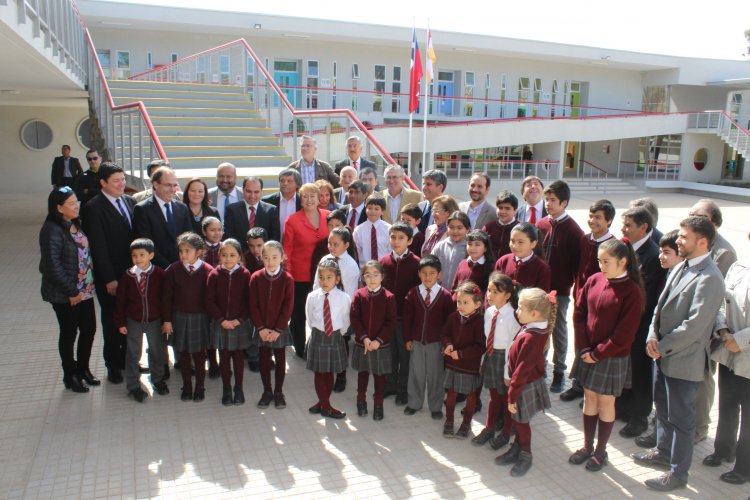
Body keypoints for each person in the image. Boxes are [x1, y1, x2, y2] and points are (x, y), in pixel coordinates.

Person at [633, 216, 725, 492]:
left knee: (682, 420)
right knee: (662, 409)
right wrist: (652, 334)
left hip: (684, 362)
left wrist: (661, 345)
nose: (679, 241)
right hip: (662, 355)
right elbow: (659, 309)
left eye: (684, 237)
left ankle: (678, 474)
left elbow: (694, 326)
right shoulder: (681, 266)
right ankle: (662, 452)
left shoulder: (710, 278)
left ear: (703, 241)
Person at [569, 238, 645, 471]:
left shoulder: (632, 292)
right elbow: (579, 313)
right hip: (588, 352)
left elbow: (624, 335)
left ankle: (601, 451)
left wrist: (598, 354)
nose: (602, 266)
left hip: (610, 356)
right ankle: (587, 446)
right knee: (589, 398)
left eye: (607, 261)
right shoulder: (594, 280)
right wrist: (583, 347)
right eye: (599, 261)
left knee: (605, 402)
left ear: (623, 261)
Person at [39, 187, 98, 393]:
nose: (76, 206)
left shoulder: (75, 223)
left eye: (76, 202)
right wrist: (72, 292)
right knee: (69, 333)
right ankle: (70, 375)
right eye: (71, 204)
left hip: (85, 289)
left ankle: (83, 370)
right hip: (67, 294)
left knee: (89, 330)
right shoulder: (51, 230)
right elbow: (51, 266)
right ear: (59, 208)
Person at [81, 162, 134, 385]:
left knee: (131, 319)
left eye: (123, 179)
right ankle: (113, 364)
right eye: (116, 181)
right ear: (103, 183)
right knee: (113, 321)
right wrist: (110, 278)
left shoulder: (130, 202)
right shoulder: (93, 207)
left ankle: (127, 360)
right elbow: (98, 246)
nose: (121, 184)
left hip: (132, 274)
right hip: (110, 276)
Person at [616, 206, 667, 438]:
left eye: (628, 225)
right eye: (623, 224)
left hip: (641, 324)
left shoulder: (653, 256)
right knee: (626, 369)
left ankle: (639, 417)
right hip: (624, 321)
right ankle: (624, 407)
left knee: (640, 372)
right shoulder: (626, 248)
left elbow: (650, 297)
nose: (623, 229)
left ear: (644, 228)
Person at [495, 288, 554, 477]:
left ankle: (526, 454)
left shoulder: (532, 336)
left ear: (535, 314)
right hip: (520, 384)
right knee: (517, 420)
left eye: (521, 308)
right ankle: (516, 448)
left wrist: (512, 396)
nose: (517, 311)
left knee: (521, 422)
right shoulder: (532, 326)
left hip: (523, 386)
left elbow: (521, 370)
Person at [561, 199, 615, 403]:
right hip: (580, 299)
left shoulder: (613, 245)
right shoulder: (584, 240)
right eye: (591, 216)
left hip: (600, 303)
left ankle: (590, 389)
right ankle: (578, 384)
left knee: (595, 345)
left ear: (609, 221)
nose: (592, 221)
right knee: (580, 341)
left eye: (598, 218)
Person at [703, 249, 750, 486]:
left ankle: (744, 467)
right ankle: (723, 450)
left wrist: (740, 340)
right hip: (729, 349)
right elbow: (721, 301)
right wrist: (723, 331)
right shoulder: (739, 266)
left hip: (746, 353)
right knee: (728, 404)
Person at [635, 229, 682, 450]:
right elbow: (657, 310)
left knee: (675, 404)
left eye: (667, 252)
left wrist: (662, 344)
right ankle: (659, 438)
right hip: (658, 344)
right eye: (661, 251)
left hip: (674, 350)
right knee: (661, 398)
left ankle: (667, 445)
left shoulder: (689, 278)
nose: (661, 256)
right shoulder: (670, 274)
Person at [535, 180, 583, 393]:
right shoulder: (541, 224)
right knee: (538, 328)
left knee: (558, 331)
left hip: (560, 292)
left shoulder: (573, 230)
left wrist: (566, 285)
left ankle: (559, 372)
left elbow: (576, 265)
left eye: (553, 200)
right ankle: (539, 367)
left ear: (564, 203)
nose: (548, 204)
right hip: (539, 290)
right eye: (547, 199)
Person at [113, 238, 168, 402]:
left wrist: (166, 320)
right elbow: (121, 301)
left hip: (155, 320)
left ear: (151, 255)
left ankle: (158, 379)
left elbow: (165, 299)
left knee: (157, 350)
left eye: (142, 255)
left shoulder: (159, 274)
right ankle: (133, 385)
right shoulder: (128, 276)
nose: (138, 259)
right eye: (134, 255)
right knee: (133, 352)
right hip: (134, 321)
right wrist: (120, 322)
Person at [472, 273, 521, 448]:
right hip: (492, 357)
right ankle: (489, 428)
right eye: (489, 290)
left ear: (508, 295)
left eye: (496, 292)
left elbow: (511, 347)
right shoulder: (489, 312)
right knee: (493, 397)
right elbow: (487, 339)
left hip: (505, 359)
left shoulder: (512, 317)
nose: (490, 295)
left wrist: (508, 372)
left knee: (506, 399)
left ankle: (506, 433)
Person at [162, 232, 213, 402]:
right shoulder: (173, 269)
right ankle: (187, 386)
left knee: (199, 354)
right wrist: (167, 320)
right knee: (182, 353)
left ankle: (199, 385)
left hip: (200, 318)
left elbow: (213, 298)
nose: (183, 254)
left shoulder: (208, 271)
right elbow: (166, 297)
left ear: (198, 252)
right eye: (181, 251)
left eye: (188, 251)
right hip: (179, 317)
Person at [403, 255, 456, 419]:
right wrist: (408, 338)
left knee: (435, 376)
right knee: (416, 373)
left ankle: (435, 406)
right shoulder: (412, 294)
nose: (428, 277)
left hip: (436, 344)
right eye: (424, 273)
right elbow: (407, 319)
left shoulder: (446, 296)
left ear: (439, 274)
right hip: (417, 342)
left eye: (432, 273)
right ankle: (414, 403)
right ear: (419, 274)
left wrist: (446, 343)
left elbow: (449, 323)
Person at [282, 183, 330, 358]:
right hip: (300, 274)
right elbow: (287, 250)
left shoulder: (328, 216)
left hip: (325, 274)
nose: (309, 200)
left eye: (312, 196)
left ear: (319, 199)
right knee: (299, 313)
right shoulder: (292, 220)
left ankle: (321, 345)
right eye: (305, 196)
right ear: (300, 200)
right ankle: (300, 348)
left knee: (321, 312)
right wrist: (289, 275)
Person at [249, 240, 295, 410]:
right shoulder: (256, 277)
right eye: (266, 257)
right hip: (262, 328)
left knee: (281, 359)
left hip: (279, 328)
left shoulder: (287, 279)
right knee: (264, 360)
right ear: (261, 258)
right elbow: (253, 304)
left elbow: (288, 306)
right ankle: (267, 391)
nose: (270, 261)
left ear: (282, 257)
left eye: (274, 257)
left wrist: (277, 329)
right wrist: (260, 328)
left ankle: (278, 392)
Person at [206, 239, 252, 406]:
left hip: (239, 324)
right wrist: (221, 320)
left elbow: (249, 301)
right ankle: (226, 389)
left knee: (238, 357)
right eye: (224, 255)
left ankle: (238, 389)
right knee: (224, 357)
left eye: (232, 255)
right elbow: (210, 300)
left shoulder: (246, 274)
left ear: (239, 257)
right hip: (221, 324)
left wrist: (239, 320)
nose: (228, 259)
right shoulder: (214, 274)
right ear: (219, 256)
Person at [313, 226, 360, 393]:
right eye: (329, 243)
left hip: (340, 314)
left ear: (346, 245)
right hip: (323, 310)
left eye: (335, 244)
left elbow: (350, 293)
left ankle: (341, 375)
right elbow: (316, 285)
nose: (331, 247)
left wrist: (343, 317)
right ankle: (326, 372)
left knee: (341, 345)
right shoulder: (325, 259)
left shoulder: (351, 265)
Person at [380, 222, 421, 405]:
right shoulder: (383, 262)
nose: (396, 241)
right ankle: (390, 384)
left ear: (410, 240)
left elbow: (417, 293)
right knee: (389, 354)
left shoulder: (416, 263)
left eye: (401, 238)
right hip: (387, 318)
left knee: (405, 357)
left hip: (405, 319)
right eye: (393, 237)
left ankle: (403, 390)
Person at [350, 261, 396, 421]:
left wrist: (378, 340)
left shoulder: (389, 297)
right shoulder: (359, 295)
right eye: (368, 275)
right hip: (363, 343)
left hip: (380, 345)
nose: (372, 278)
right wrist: (365, 339)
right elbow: (354, 319)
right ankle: (360, 401)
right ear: (363, 277)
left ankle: (378, 404)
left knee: (379, 376)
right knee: (363, 374)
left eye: (376, 274)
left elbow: (390, 322)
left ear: (382, 276)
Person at [306, 259, 351, 419]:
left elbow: (346, 320)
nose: (324, 281)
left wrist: (336, 333)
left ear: (337, 279)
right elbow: (310, 319)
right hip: (318, 336)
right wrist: (320, 332)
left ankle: (323, 402)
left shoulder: (344, 297)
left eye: (329, 277)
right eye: (321, 277)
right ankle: (326, 407)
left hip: (335, 337)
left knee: (330, 372)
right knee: (319, 373)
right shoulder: (312, 297)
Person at [440, 281, 486, 439]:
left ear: (477, 304)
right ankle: (449, 421)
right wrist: (448, 345)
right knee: (451, 394)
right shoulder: (453, 317)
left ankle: (466, 423)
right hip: (452, 365)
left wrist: (461, 354)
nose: (461, 305)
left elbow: (480, 347)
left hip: (469, 366)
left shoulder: (479, 322)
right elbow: (445, 334)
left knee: (471, 395)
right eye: (459, 301)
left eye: (466, 302)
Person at [133, 167, 191, 269]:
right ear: (155, 185)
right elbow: (147, 244)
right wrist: (168, 267)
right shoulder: (142, 209)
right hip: (157, 270)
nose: (173, 189)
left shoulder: (182, 208)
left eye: (175, 185)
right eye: (168, 185)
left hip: (181, 267)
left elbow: (189, 238)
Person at [224, 177, 280, 250]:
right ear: (243, 190)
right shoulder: (232, 210)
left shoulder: (271, 210)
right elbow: (228, 237)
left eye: (256, 192)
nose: (252, 196)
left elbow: (274, 238)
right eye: (248, 191)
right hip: (239, 256)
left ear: (261, 192)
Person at [494, 223, 551, 292]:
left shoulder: (542, 268)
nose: (514, 246)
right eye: (512, 241)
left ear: (533, 244)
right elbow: (492, 288)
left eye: (520, 242)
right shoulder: (503, 261)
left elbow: (541, 298)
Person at [433, 210, 470, 292]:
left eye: (459, 228)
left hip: (460, 294)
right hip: (439, 291)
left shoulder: (470, 248)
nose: (455, 231)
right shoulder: (440, 246)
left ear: (467, 230)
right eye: (451, 227)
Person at [262, 168, 302, 238]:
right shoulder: (267, 201)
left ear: (298, 184)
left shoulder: (303, 202)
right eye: (282, 181)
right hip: (274, 245)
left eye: (289, 181)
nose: (285, 183)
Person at [353, 195, 391, 266]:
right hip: (365, 269)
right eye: (370, 208)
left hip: (384, 268)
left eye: (376, 209)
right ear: (365, 209)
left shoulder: (389, 229)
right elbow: (357, 252)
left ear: (382, 211)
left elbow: (391, 251)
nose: (372, 211)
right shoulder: (358, 230)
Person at [452, 229, 494, 294]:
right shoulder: (462, 263)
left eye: (477, 245)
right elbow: (454, 286)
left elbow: (487, 292)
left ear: (485, 248)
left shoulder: (491, 268)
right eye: (469, 244)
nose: (472, 248)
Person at [483, 190, 519, 259]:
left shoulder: (521, 229)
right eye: (500, 208)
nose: (503, 211)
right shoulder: (488, 228)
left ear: (515, 211)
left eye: (507, 208)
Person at [418, 169, 448, 234]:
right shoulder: (419, 207)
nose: (424, 188)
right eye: (423, 184)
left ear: (440, 187)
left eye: (428, 184)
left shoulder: (448, 209)